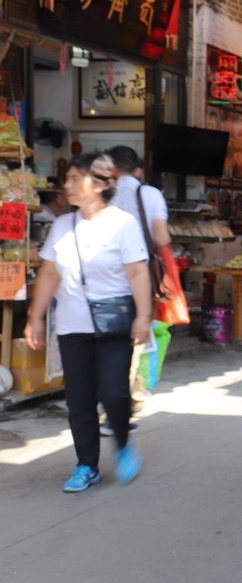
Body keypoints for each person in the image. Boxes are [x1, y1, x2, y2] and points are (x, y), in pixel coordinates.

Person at [24, 153, 151, 492]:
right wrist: (35, 317)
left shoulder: (123, 223)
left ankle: (123, 444)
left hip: (113, 323)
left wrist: (144, 316)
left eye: (74, 178)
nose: (66, 185)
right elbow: (50, 274)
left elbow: (138, 272)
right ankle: (86, 465)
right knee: (79, 400)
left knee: (114, 394)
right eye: (66, 178)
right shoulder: (63, 225)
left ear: (98, 184)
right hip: (71, 326)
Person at [103, 146, 171, 436]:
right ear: (138, 170)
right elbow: (161, 238)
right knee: (131, 344)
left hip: (101, 279)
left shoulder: (99, 192)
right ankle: (115, 413)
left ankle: (123, 403)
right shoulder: (150, 194)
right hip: (135, 277)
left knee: (107, 343)